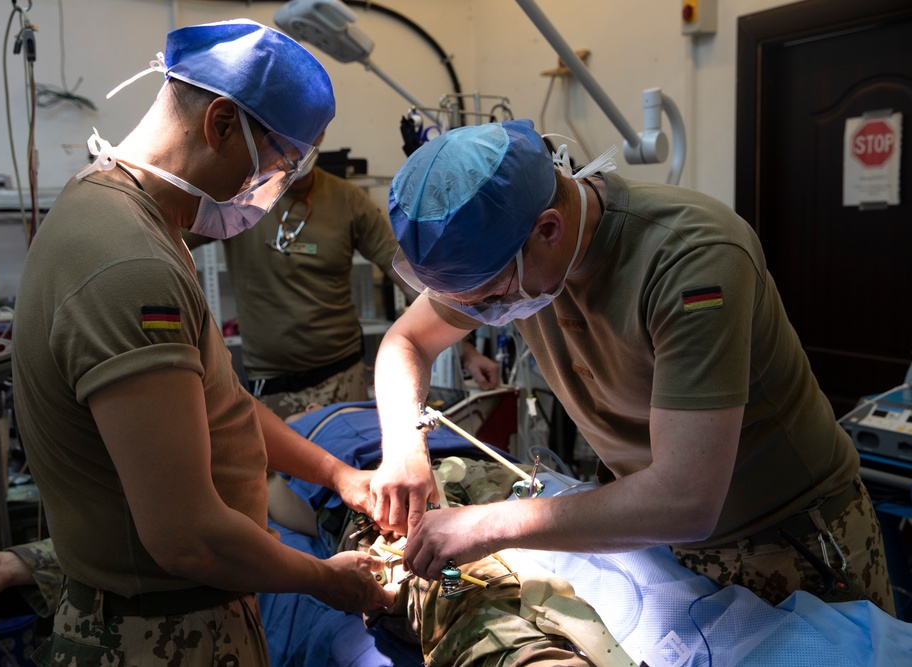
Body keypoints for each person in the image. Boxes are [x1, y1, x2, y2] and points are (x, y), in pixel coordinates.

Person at [369, 118, 895, 614]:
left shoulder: (691, 258)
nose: (485, 313)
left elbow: (685, 499)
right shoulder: (504, 251)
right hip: (657, 539)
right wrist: (403, 446)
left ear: (548, 229)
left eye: (491, 297)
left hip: (788, 544)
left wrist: (488, 524)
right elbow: (407, 342)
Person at [11, 19, 393, 666]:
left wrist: (338, 475)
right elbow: (187, 535)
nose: (272, 192)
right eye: (278, 165)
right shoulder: (130, 266)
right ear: (219, 124)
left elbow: (218, 407)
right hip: (162, 637)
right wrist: (330, 580)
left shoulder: (121, 210)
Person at [183, 132, 499, 419]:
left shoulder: (348, 200)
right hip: (270, 384)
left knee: (352, 471)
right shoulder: (244, 200)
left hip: (342, 378)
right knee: (280, 482)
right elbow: (170, 236)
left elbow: (408, 278)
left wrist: (464, 351)